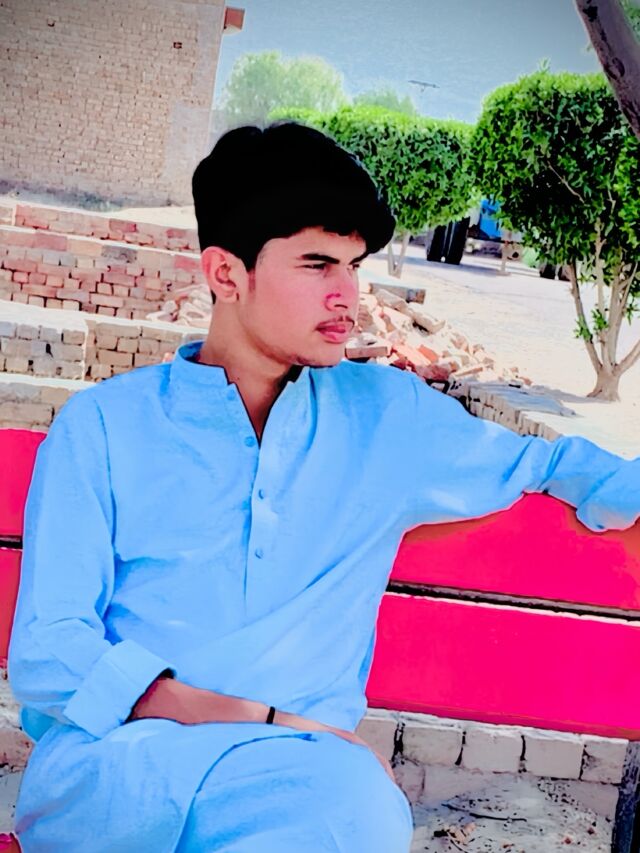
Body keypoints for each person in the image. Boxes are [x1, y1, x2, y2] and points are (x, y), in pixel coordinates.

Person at [8, 122, 639, 853]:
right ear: (225, 274)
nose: (348, 296)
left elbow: (555, 465)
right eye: (316, 264)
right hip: (118, 768)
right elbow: (51, 649)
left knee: (354, 809)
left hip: (291, 786)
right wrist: (260, 717)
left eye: (353, 266)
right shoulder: (104, 426)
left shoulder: (388, 419)